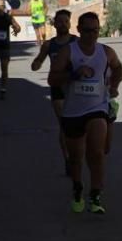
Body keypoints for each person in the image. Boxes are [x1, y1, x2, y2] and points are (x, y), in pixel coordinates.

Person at [48, 12, 122, 214]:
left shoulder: (106, 52)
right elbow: (52, 79)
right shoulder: (68, 52)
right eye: (88, 30)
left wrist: (114, 85)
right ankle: (77, 187)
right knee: (76, 157)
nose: (92, 34)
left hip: (97, 108)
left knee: (98, 153)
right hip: (73, 112)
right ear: (79, 30)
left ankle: (96, 195)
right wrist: (73, 74)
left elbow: (119, 70)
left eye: (96, 30)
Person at [32, 9, 76, 172]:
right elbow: (39, 60)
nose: (63, 24)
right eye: (60, 21)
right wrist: (36, 64)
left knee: (77, 124)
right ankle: (68, 159)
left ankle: (75, 154)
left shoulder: (76, 42)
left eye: (66, 21)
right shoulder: (49, 45)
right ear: (55, 24)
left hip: (75, 87)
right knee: (64, 124)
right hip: (57, 87)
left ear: (70, 24)